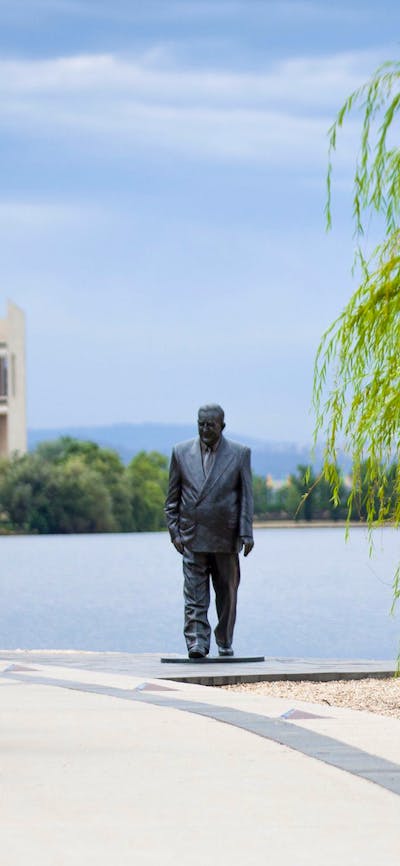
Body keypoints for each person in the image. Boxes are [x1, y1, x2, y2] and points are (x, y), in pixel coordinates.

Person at [165, 404, 254, 658]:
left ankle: (224, 639)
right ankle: (197, 642)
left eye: (210, 425)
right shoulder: (180, 453)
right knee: (194, 594)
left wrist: (246, 532)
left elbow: (247, 497)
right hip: (192, 536)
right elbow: (172, 499)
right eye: (201, 424)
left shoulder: (239, 453)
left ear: (222, 426)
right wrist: (175, 532)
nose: (205, 429)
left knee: (227, 593)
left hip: (225, 537)